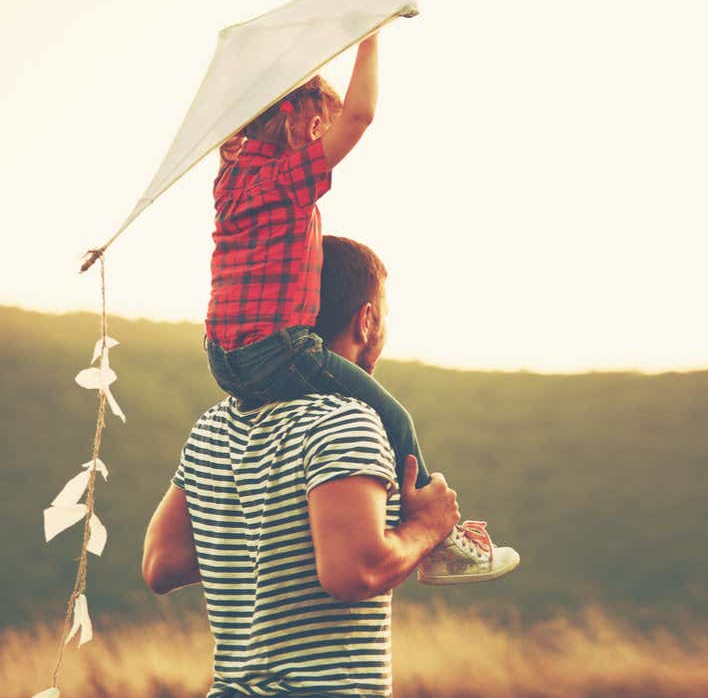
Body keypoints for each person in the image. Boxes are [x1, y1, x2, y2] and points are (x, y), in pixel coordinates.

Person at [143, 236, 520, 698]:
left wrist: (273, 536)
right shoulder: (344, 418)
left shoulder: (213, 426)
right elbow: (352, 574)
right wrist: (427, 528)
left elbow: (162, 565)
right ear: (366, 320)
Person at [204, 34, 515, 580]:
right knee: (392, 417)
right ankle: (437, 541)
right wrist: (368, 35)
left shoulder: (230, 176)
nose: (328, 132)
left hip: (222, 358)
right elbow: (361, 116)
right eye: (320, 123)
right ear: (300, 122)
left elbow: (309, 116)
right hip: (277, 350)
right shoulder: (284, 180)